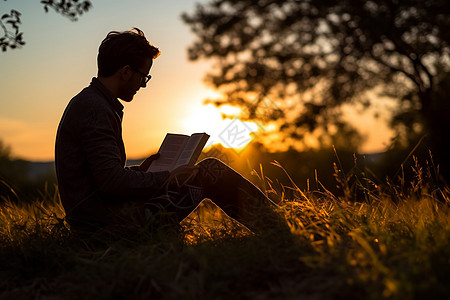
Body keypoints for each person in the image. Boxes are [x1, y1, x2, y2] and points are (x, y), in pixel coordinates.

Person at [55, 28, 279, 237]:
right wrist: (167, 177)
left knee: (201, 171)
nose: (142, 85)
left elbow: (100, 176)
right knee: (210, 170)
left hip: (98, 220)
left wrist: (140, 171)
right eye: (144, 77)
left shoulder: (90, 103)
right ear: (125, 72)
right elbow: (111, 182)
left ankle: (280, 223)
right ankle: (282, 227)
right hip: (108, 228)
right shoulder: (96, 110)